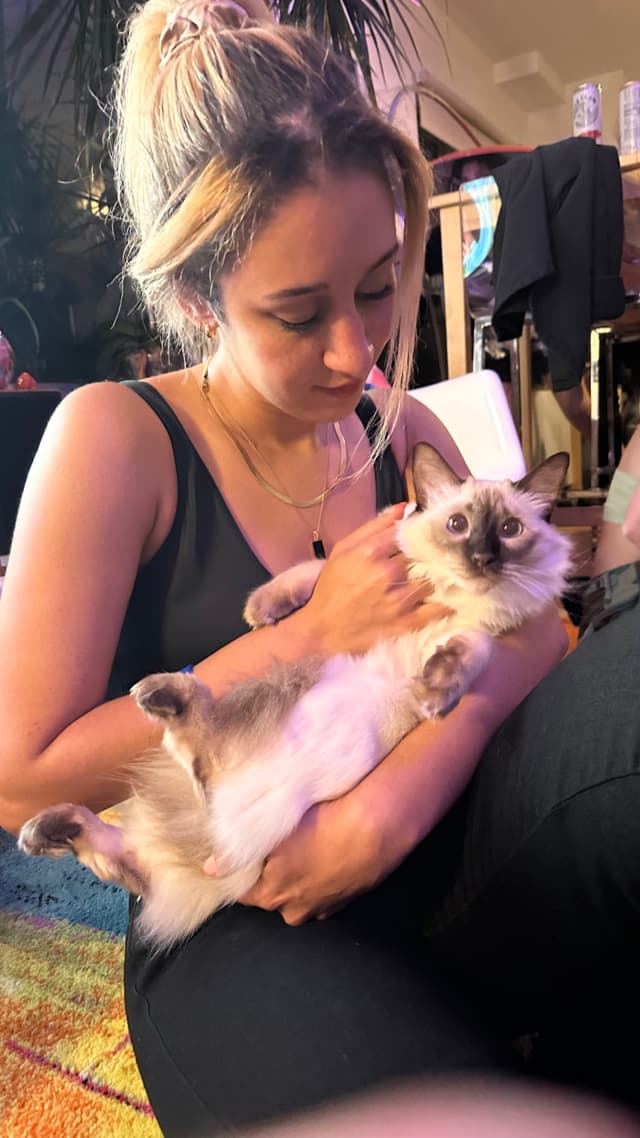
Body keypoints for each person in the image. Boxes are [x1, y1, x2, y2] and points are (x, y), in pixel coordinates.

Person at [0, 1, 638, 1134]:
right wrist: (301, 634)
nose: (355, 352)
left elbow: (540, 628)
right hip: (243, 903)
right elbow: (16, 781)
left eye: (377, 287)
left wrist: (390, 810)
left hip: (442, 837)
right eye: (297, 314)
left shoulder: (394, 433)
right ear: (199, 298)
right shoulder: (114, 436)